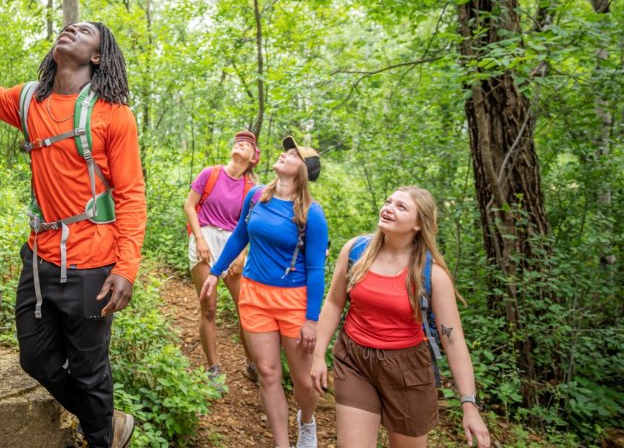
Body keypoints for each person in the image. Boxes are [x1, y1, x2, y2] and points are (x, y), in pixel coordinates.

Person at [0, 2, 146, 448]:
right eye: (68, 26)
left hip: (93, 265)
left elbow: (131, 195)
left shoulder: (113, 115)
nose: (70, 29)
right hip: (42, 257)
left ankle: (100, 438)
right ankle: (105, 422)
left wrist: (126, 268)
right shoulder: (30, 100)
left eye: (83, 31)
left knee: (88, 368)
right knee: (36, 359)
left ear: (97, 57)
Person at [310, 186, 490, 448]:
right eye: (388, 201)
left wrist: (468, 404)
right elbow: (335, 302)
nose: (388, 208)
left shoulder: (432, 274)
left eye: (401, 207)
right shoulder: (356, 251)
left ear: (419, 223)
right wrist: (318, 356)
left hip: (408, 371)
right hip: (355, 360)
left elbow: (452, 340)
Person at [200, 137, 327, 448]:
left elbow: (315, 270)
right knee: (268, 372)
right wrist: (215, 272)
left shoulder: (312, 214)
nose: (285, 154)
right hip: (255, 296)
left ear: (304, 171)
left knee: (302, 381)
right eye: (286, 150)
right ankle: (282, 443)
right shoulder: (257, 196)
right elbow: (240, 235)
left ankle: (306, 422)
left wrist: (312, 320)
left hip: (294, 301)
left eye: (294, 154)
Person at [183, 131, 261, 388]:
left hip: (234, 245)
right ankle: (213, 367)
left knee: (246, 309)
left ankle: (253, 364)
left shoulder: (252, 189)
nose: (242, 143)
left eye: (248, 144)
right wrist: (199, 239)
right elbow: (189, 205)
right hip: (204, 236)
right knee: (209, 307)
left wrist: (242, 254)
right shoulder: (211, 173)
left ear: (253, 158)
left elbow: (251, 225)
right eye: (239, 141)